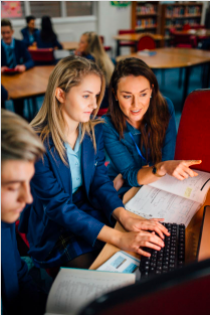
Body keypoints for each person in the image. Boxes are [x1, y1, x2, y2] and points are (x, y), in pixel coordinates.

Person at [19, 56, 169, 271]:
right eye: (86, 96)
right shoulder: (36, 144)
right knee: (97, 271)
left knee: (131, 251)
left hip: (87, 205)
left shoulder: (93, 129)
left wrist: (124, 216)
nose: (95, 104)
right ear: (60, 94)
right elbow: (59, 207)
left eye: (97, 96)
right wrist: (118, 237)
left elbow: (99, 181)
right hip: (54, 223)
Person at [103, 58, 201, 195]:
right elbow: (131, 176)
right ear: (115, 94)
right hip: (125, 182)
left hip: (151, 176)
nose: (136, 105)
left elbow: (167, 159)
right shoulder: (107, 125)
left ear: (151, 90)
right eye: (127, 96)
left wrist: (144, 172)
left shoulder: (164, 107)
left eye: (143, 94)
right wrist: (157, 169)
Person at [1, 109, 47, 315]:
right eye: (12, 187)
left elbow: (18, 275)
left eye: (27, 182)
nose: (28, 198)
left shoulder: (4, 219)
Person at [1, 19, 34, 117]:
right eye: (3, 33)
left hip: (18, 79)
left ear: (12, 32)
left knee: (19, 104)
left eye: (8, 32)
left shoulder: (20, 44)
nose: (6, 35)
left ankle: (20, 118)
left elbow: (31, 61)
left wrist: (24, 66)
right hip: (3, 79)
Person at [75, 32, 114, 109]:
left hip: (98, 102)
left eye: (82, 42)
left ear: (90, 45)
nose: (79, 45)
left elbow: (79, 80)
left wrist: (77, 59)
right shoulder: (105, 57)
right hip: (108, 100)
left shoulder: (89, 60)